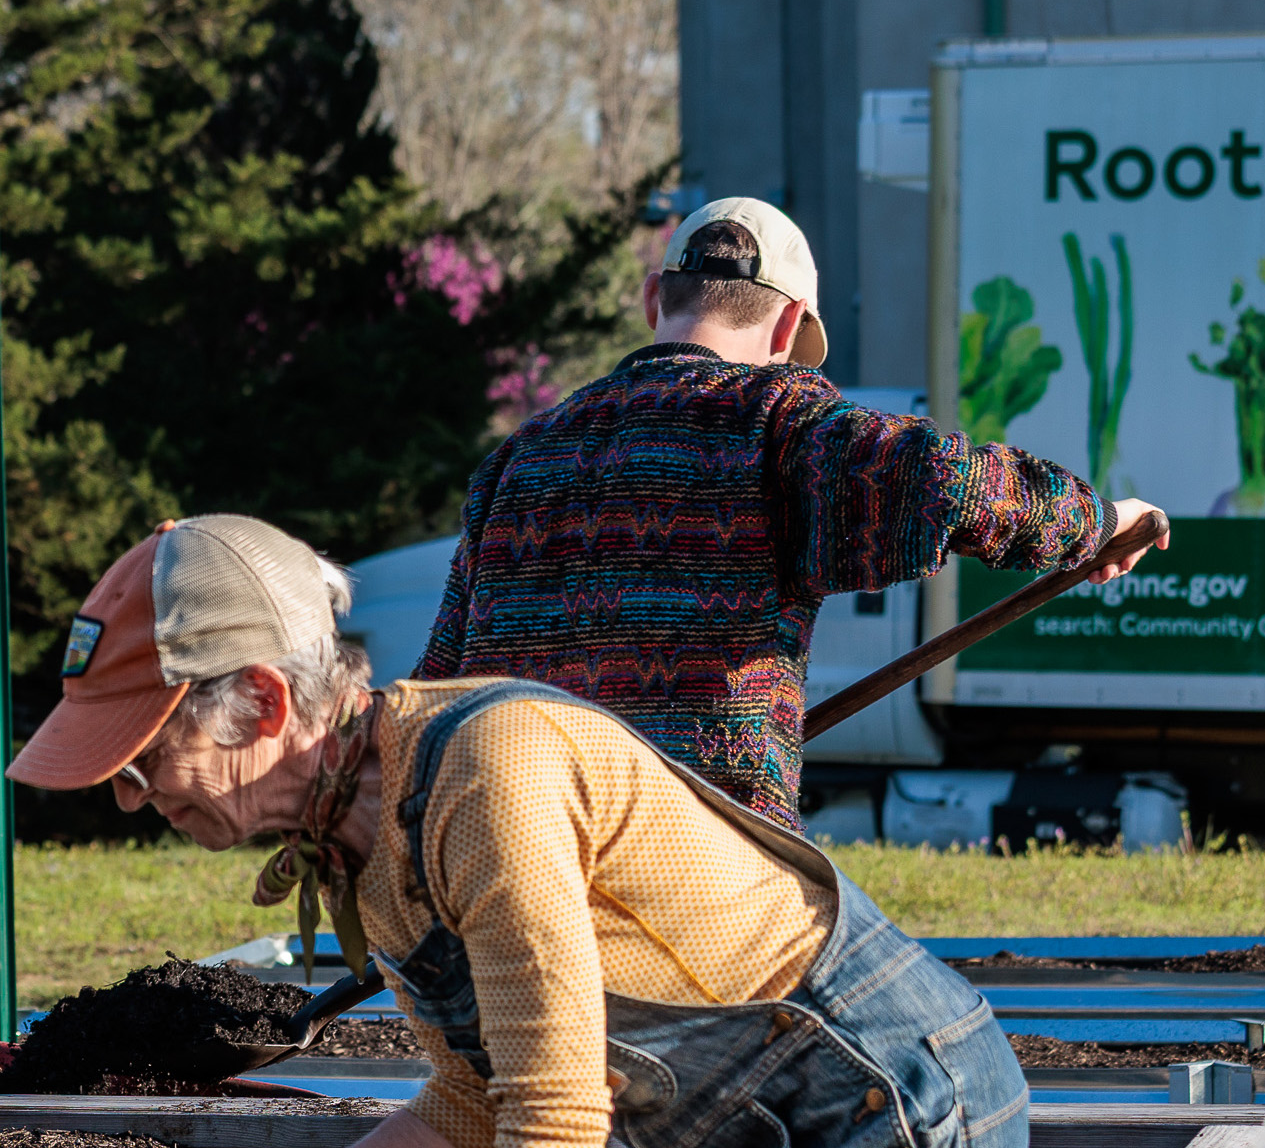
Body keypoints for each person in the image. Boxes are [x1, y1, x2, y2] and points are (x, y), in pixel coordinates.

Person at [7, 514, 1029, 1148]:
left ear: (265, 702)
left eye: (145, 756)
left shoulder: (484, 774)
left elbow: (557, 1128)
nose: (134, 798)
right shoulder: (367, 838)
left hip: (874, 1116)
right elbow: (478, 1094)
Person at [413, 196, 1168, 829]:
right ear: (788, 328)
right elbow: (952, 481)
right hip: (706, 867)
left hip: (515, 858)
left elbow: (438, 681)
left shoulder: (515, 459)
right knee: (941, 1014)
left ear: (654, 300)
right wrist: (1097, 521)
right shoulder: (778, 423)